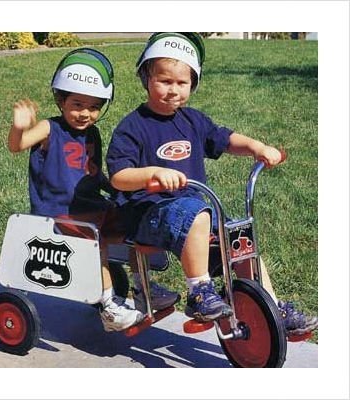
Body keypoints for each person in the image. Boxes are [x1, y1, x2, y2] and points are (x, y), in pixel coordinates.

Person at [106, 32, 317, 336]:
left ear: (193, 84)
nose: (173, 90)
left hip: (194, 212)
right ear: (146, 78)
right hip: (148, 213)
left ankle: (270, 304)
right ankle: (199, 291)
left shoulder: (192, 120)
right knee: (198, 213)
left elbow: (226, 139)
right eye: (164, 81)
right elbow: (119, 176)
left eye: (182, 83)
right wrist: (152, 173)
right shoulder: (133, 126)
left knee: (239, 236)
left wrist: (256, 147)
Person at [7, 48, 148, 332]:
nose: (85, 113)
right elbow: (16, 146)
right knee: (96, 240)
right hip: (59, 211)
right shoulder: (49, 128)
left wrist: (117, 186)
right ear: (61, 100)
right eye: (77, 104)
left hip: (91, 204)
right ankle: (109, 308)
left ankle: (144, 289)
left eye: (94, 107)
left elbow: (93, 171)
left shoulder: (92, 133)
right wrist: (19, 127)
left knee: (137, 221)